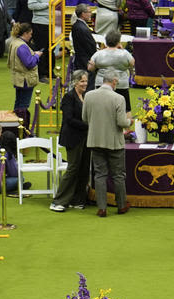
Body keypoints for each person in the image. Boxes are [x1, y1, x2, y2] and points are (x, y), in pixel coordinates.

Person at [85, 74, 133, 217]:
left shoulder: (89, 96)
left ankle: (102, 208)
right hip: (114, 142)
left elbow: (84, 118)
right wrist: (129, 122)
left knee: (99, 174)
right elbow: (122, 122)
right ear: (114, 82)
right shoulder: (118, 98)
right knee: (118, 175)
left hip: (95, 140)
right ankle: (121, 205)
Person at [50, 71, 91, 213]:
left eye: (86, 81)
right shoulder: (68, 97)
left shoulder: (86, 96)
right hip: (73, 138)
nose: (85, 84)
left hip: (86, 138)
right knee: (73, 168)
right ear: (75, 82)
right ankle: (59, 201)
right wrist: (88, 126)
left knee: (84, 168)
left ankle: (78, 199)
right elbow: (69, 119)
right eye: (82, 81)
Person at [8, 23, 41, 127]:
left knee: (18, 104)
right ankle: (23, 129)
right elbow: (29, 63)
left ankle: (16, 127)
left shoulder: (14, 42)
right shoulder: (22, 46)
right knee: (23, 106)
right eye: (30, 34)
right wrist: (36, 56)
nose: (31, 36)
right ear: (25, 33)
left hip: (18, 78)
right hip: (25, 80)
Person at [92, 30, 134, 111]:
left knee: (102, 109)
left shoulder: (98, 54)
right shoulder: (125, 53)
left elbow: (91, 67)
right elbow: (132, 63)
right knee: (124, 109)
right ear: (118, 41)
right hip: (121, 83)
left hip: (101, 83)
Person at [70, 6, 98, 80]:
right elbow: (89, 46)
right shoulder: (81, 28)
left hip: (81, 59)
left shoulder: (78, 25)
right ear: (83, 14)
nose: (90, 14)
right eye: (89, 12)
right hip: (85, 61)